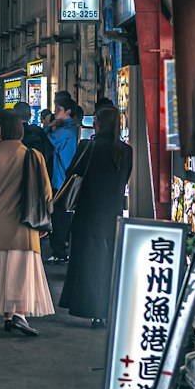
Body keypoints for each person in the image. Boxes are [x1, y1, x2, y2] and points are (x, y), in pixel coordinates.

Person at [0, 110, 54, 336]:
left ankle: (9, 316)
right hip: (25, 225)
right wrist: (45, 219)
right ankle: (20, 315)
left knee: (3, 270)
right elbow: (46, 193)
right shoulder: (33, 155)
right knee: (22, 271)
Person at [59, 106, 134, 327]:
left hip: (88, 215)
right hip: (113, 217)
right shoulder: (125, 151)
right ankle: (110, 310)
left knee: (89, 264)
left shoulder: (89, 147)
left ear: (97, 124)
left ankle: (94, 312)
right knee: (109, 264)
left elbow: (72, 172)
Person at [48, 92, 79, 263]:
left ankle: (59, 252)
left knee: (58, 217)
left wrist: (49, 126)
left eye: (57, 109)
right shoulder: (72, 129)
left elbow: (47, 141)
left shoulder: (65, 132)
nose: (55, 112)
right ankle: (61, 249)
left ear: (67, 111)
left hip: (60, 180)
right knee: (62, 215)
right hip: (66, 178)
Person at [11, 100, 54, 178]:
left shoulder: (10, 133)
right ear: (30, 116)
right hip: (37, 178)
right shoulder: (38, 131)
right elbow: (49, 155)